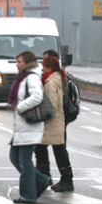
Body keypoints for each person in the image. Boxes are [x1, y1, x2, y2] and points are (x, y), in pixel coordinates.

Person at [8, 50, 51, 204]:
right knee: (15, 157)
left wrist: (21, 107)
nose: (17, 64)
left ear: (27, 63)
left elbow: (37, 96)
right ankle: (41, 180)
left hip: (29, 125)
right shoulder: (23, 77)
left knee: (24, 161)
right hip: (21, 127)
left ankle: (28, 194)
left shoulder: (31, 78)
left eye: (19, 61)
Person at [35, 50, 75, 192]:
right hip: (56, 123)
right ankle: (55, 178)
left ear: (49, 67)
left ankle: (62, 180)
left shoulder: (51, 83)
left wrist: (36, 113)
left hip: (52, 123)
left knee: (53, 150)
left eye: (44, 65)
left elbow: (50, 106)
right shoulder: (56, 79)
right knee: (52, 150)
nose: (41, 68)